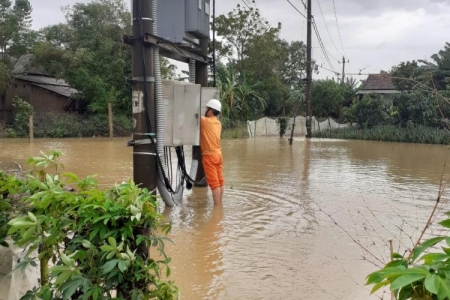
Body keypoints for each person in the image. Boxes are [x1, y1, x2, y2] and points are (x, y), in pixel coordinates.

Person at [200, 99, 224, 205]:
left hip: (209, 156)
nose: (205, 110)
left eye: (206, 108)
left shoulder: (204, 121)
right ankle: (220, 204)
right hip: (218, 155)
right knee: (220, 181)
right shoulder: (218, 123)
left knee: (214, 184)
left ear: (210, 110)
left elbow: (193, 115)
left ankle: (217, 208)